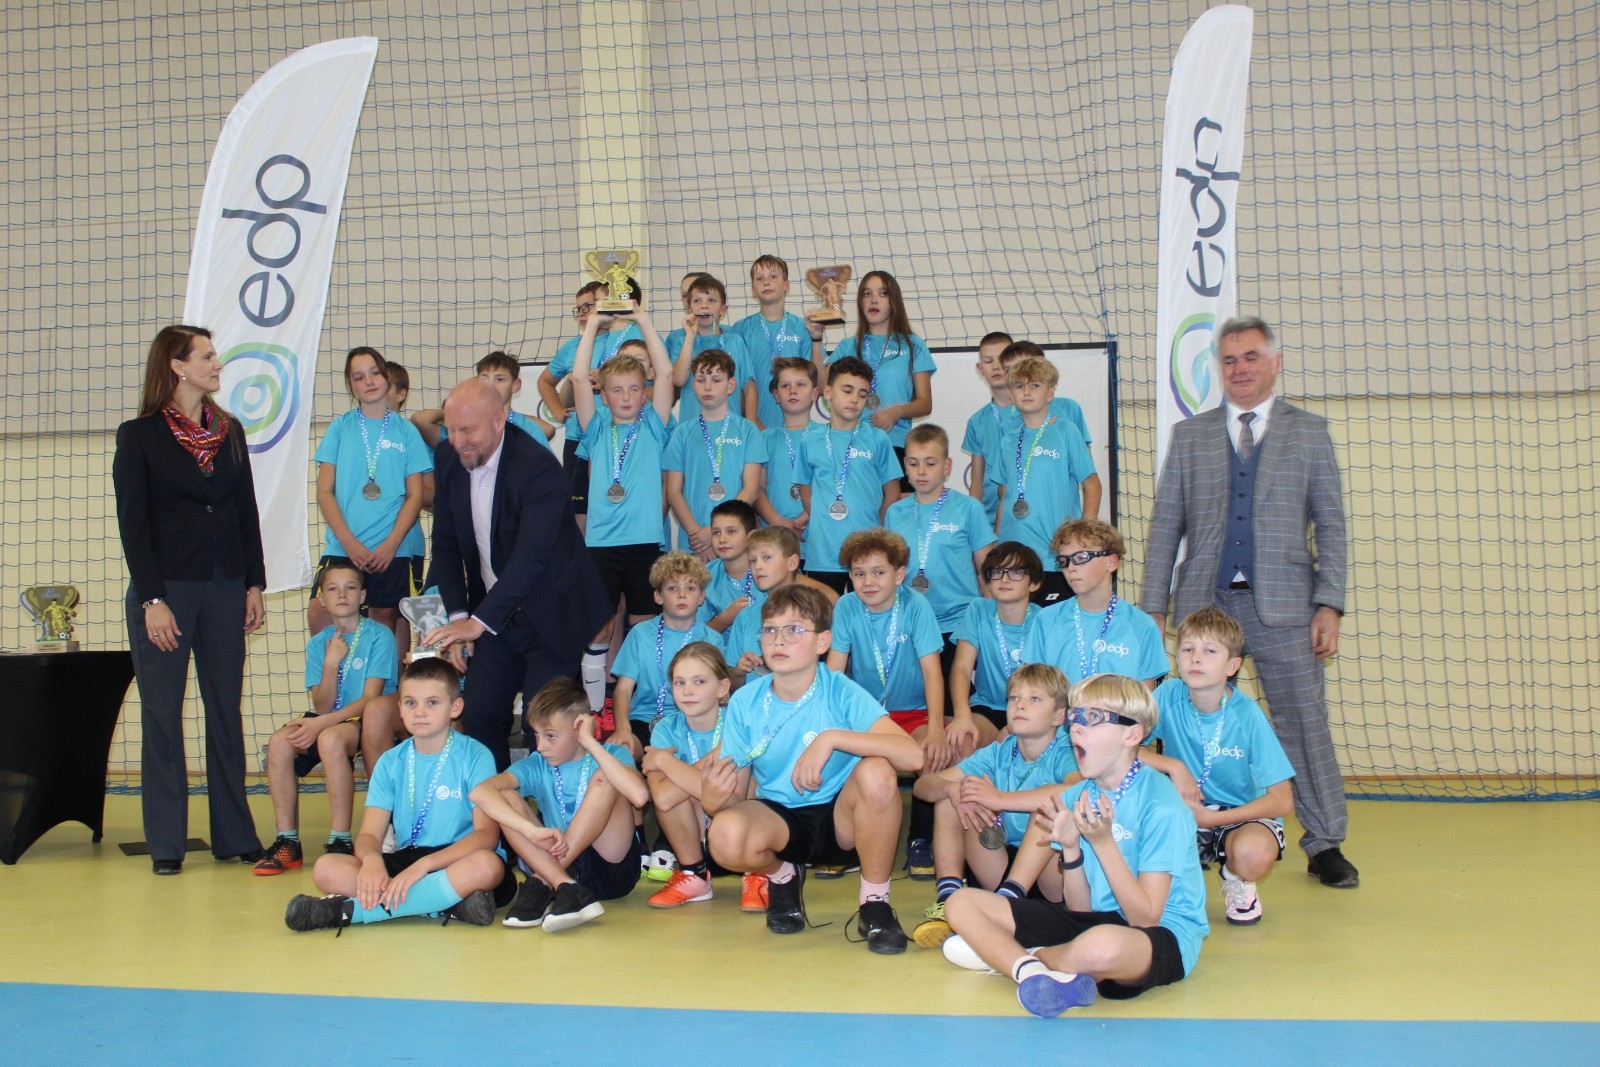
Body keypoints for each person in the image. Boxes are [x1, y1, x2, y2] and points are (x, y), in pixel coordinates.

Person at [1140, 315, 1357, 888]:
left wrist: (1329, 603)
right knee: (1187, 720)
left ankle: (1325, 842)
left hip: (1288, 607)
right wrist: (1154, 607)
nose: (1240, 368)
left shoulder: (1309, 433)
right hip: (1204, 605)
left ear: (1275, 363)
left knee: (1304, 724)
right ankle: (1190, 830)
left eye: (1251, 357)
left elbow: (1331, 525)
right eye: (1230, 359)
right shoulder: (1190, 436)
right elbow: (1166, 526)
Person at [941, 674, 1209, 1017]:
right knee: (961, 903)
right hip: (1096, 924)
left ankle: (1011, 956)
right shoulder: (1079, 794)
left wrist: (1103, 842)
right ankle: (1032, 972)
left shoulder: (1162, 805)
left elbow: (1145, 917)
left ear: (1132, 734)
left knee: (1101, 947)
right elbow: (1082, 912)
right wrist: (1070, 851)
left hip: (1158, 935)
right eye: (1075, 717)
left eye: (1093, 718)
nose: (1077, 728)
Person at [113, 324, 266, 875]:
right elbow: (133, 524)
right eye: (206, 356)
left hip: (226, 585)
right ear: (177, 366)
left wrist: (254, 583)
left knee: (225, 709)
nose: (216, 363)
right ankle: (166, 844)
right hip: (167, 592)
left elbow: (245, 510)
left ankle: (234, 835)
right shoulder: (139, 436)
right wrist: (152, 598)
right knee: (162, 714)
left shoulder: (230, 431)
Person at [701, 586, 925, 954]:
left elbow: (912, 758)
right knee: (723, 835)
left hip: (842, 821)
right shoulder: (745, 701)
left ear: (823, 642)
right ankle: (783, 876)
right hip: (780, 820)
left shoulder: (840, 691)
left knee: (878, 772)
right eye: (770, 630)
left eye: (794, 630)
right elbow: (734, 796)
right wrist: (713, 800)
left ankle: (875, 903)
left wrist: (831, 738)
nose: (779, 640)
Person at [421, 378, 611, 770]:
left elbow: (531, 559)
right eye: (451, 430)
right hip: (494, 612)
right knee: (478, 714)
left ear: (499, 419)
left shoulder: (538, 467)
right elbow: (445, 545)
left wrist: (477, 623)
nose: (458, 441)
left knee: (544, 724)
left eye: (467, 430)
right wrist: (459, 618)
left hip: (553, 611)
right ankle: (497, 804)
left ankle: (554, 805)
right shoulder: (447, 457)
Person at [284, 658, 514, 931]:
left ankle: (348, 912)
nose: (420, 712)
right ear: (400, 710)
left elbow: (486, 837)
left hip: (460, 857)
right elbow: (369, 835)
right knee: (326, 868)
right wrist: (372, 861)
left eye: (432, 702)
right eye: (410, 703)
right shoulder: (390, 761)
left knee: (487, 867)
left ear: (455, 707)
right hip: (410, 856)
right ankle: (443, 904)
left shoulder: (475, 756)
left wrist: (423, 867)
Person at [1141, 607, 1295, 925]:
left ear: (1232, 665)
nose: (1196, 658)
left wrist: (1214, 819)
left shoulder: (1247, 715)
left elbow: (1282, 800)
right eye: (1188, 649)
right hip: (1186, 811)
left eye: (1209, 651)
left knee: (1252, 856)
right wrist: (1173, 766)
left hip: (1239, 817)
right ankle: (1165, 883)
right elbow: (1121, 746)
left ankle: (1236, 876)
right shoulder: (1167, 696)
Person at [911, 663, 1078, 947]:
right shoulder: (999, 752)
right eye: (1014, 698)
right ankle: (948, 899)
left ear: (1059, 716)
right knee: (954, 795)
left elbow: (1076, 790)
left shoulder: (1066, 751)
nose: (1020, 705)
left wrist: (998, 799)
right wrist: (950, 788)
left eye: (1034, 699)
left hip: (1053, 878)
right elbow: (922, 786)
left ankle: (1005, 905)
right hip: (999, 867)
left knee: (1049, 806)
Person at [254, 560, 401, 874]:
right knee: (279, 742)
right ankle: (287, 841)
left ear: (363, 596)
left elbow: (370, 700)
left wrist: (321, 724)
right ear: (321, 599)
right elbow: (321, 706)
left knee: (330, 739)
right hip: (328, 717)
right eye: (333, 589)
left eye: (350, 588)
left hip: (364, 719)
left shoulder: (379, 636)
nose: (342, 594)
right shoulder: (318, 643)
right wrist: (331, 663)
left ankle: (340, 839)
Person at [470, 678, 650, 931]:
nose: (541, 746)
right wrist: (531, 830)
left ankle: (540, 884)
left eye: (551, 736)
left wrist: (590, 742)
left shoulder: (612, 753)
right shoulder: (537, 763)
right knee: (505, 795)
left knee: (606, 778)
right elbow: (480, 792)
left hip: (610, 869)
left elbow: (639, 797)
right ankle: (566, 887)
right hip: (559, 864)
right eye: (537, 734)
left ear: (579, 728)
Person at [570, 304, 678, 706]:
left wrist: (643, 321)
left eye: (634, 389)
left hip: (645, 542)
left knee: (644, 628)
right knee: (599, 627)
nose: (627, 396)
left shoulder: (653, 424)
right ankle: (595, 708)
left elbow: (665, 373)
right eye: (617, 390)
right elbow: (578, 377)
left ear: (644, 392)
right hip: (601, 544)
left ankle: (645, 707)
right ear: (604, 395)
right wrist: (594, 325)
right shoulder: (596, 426)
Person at [824, 528, 946, 879]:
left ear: (899, 575)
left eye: (878, 572)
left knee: (931, 756)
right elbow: (834, 674)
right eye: (859, 573)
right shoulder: (846, 606)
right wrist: (829, 723)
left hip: (913, 713)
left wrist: (936, 729)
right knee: (837, 753)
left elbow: (932, 673)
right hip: (868, 715)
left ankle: (920, 840)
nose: (868, 582)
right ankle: (846, 845)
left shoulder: (916, 606)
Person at [311, 346, 431, 637]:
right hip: (343, 547)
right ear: (351, 386)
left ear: (386, 376)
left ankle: (385, 672)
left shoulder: (407, 432)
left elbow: (415, 495)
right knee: (320, 614)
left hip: (390, 550)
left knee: (382, 627)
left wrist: (391, 545)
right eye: (359, 377)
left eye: (374, 373)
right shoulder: (339, 429)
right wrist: (348, 543)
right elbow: (324, 492)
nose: (369, 381)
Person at [640, 642, 765, 909]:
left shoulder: (738, 723)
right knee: (678, 792)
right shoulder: (665, 729)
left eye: (699, 682)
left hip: (739, 836)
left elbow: (732, 800)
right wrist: (713, 756)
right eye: (680, 682)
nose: (687, 691)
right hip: (696, 842)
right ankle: (694, 875)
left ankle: (757, 873)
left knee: (753, 784)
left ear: (722, 688)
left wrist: (665, 761)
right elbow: (663, 799)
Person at [884, 423, 996, 686]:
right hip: (912, 623)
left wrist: (991, 621)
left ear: (947, 466)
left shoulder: (968, 508)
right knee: (918, 701)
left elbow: (988, 570)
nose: (921, 471)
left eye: (930, 463)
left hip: (960, 624)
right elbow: (888, 573)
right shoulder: (894, 513)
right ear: (905, 466)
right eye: (913, 463)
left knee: (953, 701)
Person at [990, 355, 1099, 605]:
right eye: (1019, 386)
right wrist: (997, 543)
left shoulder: (1066, 431)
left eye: (1035, 385)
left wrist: (1084, 537)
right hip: (1013, 556)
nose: (1026, 392)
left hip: (1053, 555)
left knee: (1056, 622)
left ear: (1050, 393)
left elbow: (1092, 484)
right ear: (1011, 395)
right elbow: (1004, 495)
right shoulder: (1008, 439)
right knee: (1017, 624)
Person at [539, 278, 645, 529]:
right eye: (581, 308)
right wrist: (559, 411)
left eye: (593, 303)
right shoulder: (579, 346)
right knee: (579, 509)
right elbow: (546, 381)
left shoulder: (634, 336)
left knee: (618, 503)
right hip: (579, 437)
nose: (586, 312)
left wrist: (609, 381)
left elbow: (661, 385)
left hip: (622, 434)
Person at [811, 270, 935, 483]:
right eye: (867, 294)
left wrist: (896, 412)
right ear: (860, 302)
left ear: (894, 302)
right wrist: (816, 340)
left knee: (895, 504)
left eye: (882, 293)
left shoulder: (912, 345)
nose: (873, 300)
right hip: (853, 445)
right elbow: (822, 387)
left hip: (895, 444)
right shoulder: (848, 346)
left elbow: (925, 403)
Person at [792, 356, 903, 592]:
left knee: (865, 611)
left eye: (862, 395)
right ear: (828, 392)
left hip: (866, 553)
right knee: (823, 612)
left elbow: (892, 492)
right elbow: (805, 488)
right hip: (823, 552)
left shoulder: (878, 439)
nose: (854, 399)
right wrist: (822, 516)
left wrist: (876, 530)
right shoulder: (810, 441)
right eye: (847, 390)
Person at [1022, 519, 1167, 688]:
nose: (1070, 568)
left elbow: (1145, 696)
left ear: (1111, 562)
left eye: (1081, 557)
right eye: (1063, 561)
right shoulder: (1047, 619)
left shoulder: (1142, 625)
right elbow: (1033, 686)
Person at [609, 552, 719, 759]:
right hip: (643, 719)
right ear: (658, 596)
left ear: (701, 597)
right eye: (672, 588)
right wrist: (623, 729)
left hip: (689, 720)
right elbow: (623, 689)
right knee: (619, 753)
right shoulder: (640, 634)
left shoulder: (712, 640)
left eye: (690, 588)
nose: (681, 594)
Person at [663, 349, 767, 556]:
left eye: (716, 380)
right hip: (694, 543)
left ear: (731, 385)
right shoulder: (681, 433)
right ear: (693, 385)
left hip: (735, 542)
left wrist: (715, 532)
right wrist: (696, 534)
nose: (708, 386)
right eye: (701, 380)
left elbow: (751, 488)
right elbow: (673, 492)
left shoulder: (748, 431)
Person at [722, 525, 839, 685]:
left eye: (767, 557)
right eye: (752, 561)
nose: (758, 566)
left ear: (792, 563)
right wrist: (739, 671)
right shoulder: (746, 616)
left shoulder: (812, 612)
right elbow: (733, 686)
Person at [949, 541, 1043, 737]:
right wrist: (962, 715)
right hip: (988, 706)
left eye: (1016, 572)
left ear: (1034, 583)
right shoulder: (978, 610)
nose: (1004, 579)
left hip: (1031, 710)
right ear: (988, 582)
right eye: (997, 572)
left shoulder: (1044, 620)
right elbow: (962, 668)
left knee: (1007, 741)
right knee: (959, 741)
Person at [411, 351, 557, 452]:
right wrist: (457, 410)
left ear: (515, 385)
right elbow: (420, 419)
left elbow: (548, 476)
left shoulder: (530, 430)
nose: (490, 386)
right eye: (484, 379)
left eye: (500, 379)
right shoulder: (461, 428)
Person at [732, 255, 813, 431]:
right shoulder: (741, 329)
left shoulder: (803, 328)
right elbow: (736, 384)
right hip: (753, 426)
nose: (766, 282)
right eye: (759, 278)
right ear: (753, 290)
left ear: (786, 285)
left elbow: (809, 380)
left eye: (773, 276)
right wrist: (754, 423)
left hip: (795, 426)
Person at [667, 275, 758, 424]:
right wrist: (690, 336)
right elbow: (678, 380)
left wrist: (751, 426)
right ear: (689, 308)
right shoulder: (682, 343)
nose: (704, 306)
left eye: (711, 300)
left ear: (723, 309)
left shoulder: (735, 341)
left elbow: (749, 387)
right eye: (697, 301)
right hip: (693, 429)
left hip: (731, 428)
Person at [753, 357, 818, 536]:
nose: (792, 391)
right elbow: (757, 489)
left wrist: (805, 516)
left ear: (815, 393)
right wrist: (779, 522)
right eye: (785, 385)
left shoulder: (827, 437)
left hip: (818, 533)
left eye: (800, 385)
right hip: (775, 535)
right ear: (776, 395)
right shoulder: (763, 439)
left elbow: (831, 485)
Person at [961, 331, 1015, 525]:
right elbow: (976, 483)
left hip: (1024, 518)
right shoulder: (977, 421)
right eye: (988, 361)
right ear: (980, 368)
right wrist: (973, 526)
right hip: (989, 522)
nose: (996, 366)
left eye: (1002, 359)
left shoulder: (1032, 413)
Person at [700, 499, 762, 632]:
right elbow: (697, 635)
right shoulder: (703, 575)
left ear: (750, 536)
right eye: (716, 533)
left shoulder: (770, 568)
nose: (722, 539)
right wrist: (725, 618)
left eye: (731, 531)